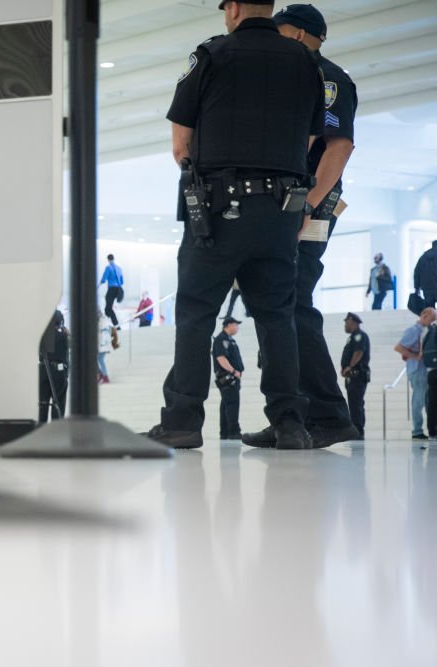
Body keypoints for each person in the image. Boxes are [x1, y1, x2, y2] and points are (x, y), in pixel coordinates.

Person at [142, 0, 324, 450]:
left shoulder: (211, 54)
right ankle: (289, 423)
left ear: (235, 8)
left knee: (196, 313)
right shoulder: (305, 61)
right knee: (277, 317)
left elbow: (181, 144)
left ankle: (183, 421)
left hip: (218, 211)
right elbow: (309, 137)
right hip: (281, 211)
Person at [243, 2, 361, 449]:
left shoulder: (328, 78)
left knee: (292, 302)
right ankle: (290, 416)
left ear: (295, 34)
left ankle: (327, 414)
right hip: (284, 207)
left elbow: (339, 146)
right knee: (278, 304)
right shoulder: (292, 75)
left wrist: (307, 205)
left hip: (307, 207)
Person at [394, 307, 435, 440]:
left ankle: (431, 429)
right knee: (419, 400)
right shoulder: (413, 331)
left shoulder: (427, 330)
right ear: (424, 316)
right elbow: (398, 347)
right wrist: (416, 356)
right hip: (417, 370)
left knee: (428, 400)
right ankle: (417, 430)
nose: (433, 321)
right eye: (432, 318)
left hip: (425, 370)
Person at [213, 317, 244, 439]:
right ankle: (234, 432)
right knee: (232, 404)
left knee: (226, 404)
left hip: (231, 377)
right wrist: (233, 371)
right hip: (228, 377)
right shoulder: (222, 339)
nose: (237, 327)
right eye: (236, 325)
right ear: (229, 325)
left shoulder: (229, 339)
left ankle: (225, 432)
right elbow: (221, 358)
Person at [340, 312, 370, 439]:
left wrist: (349, 367)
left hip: (357, 375)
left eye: (346, 322)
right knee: (355, 404)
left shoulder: (359, 336)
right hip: (353, 376)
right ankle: (357, 429)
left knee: (355, 404)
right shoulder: (352, 337)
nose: (345, 325)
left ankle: (357, 430)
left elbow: (359, 352)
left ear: (353, 322)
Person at [38, 310, 70, 422]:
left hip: (43, 369)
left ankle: (41, 426)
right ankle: (56, 427)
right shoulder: (63, 336)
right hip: (58, 371)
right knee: (58, 403)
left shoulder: (41, 336)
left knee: (43, 403)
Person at [99, 254, 124, 328]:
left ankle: (116, 325)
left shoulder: (108, 268)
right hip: (119, 290)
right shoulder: (119, 268)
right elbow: (122, 281)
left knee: (108, 309)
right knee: (108, 308)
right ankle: (114, 323)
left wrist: (99, 284)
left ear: (108, 260)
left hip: (112, 289)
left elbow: (104, 278)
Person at [413, 240, 437, 309]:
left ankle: (431, 316)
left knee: (429, 309)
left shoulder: (423, 257)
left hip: (427, 288)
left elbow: (417, 273)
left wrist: (417, 288)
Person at [97, 316, 112, 384]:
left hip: (102, 345)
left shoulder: (102, 322)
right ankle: (102, 375)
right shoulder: (103, 321)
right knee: (99, 360)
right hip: (102, 344)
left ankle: (104, 376)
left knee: (100, 360)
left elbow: (104, 335)